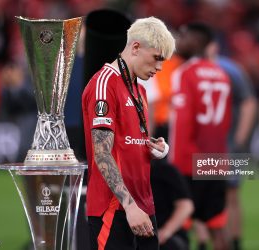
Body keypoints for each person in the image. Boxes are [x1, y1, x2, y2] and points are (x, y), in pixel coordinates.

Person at [82, 16, 175, 250]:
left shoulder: (139, 88)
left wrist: (155, 148)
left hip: (143, 206)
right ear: (135, 47)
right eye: (156, 58)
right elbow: (102, 153)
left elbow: (130, 141)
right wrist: (129, 206)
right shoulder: (104, 84)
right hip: (115, 208)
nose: (160, 67)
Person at [169, 22, 232, 250]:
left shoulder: (185, 73)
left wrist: (173, 164)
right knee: (216, 224)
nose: (177, 42)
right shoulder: (221, 73)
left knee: (179, 223)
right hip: (216, 159)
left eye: (183, 37)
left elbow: (182, 123)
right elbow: (225, 122)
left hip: (188, 161)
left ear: (196, 42)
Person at [206, 32, 257, 250]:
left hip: (229, 144)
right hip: (206, 144)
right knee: (205, 195)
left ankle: (235, 242)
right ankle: (211, 242)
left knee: (231, 194)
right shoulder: (190, 69)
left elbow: (248, 102)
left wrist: (241, 137)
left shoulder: (230, 69)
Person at [150, 161, 194, 250]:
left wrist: (165, 232)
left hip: (167, 236)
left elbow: (186, 205)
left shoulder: (166, 171)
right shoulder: (121, 173)